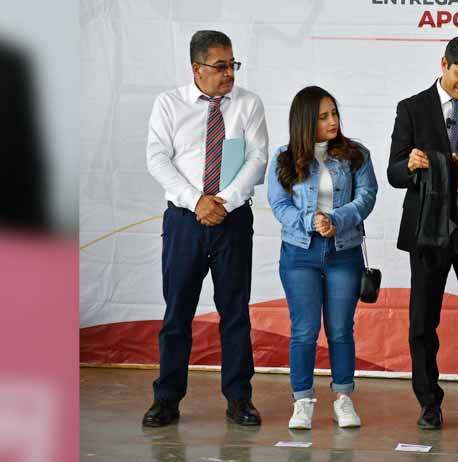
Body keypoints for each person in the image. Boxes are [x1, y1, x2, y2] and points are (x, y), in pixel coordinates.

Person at [143, 30, 268, 427]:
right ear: (197, 68)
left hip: (233, 221)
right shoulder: (169, 104)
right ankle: (166, 399)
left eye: (233, 64)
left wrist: (223, 202)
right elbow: (157, 159)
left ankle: (239, 399)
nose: (229, 73)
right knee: (177, 312)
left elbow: (257, 159)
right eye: (220, 66)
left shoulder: (248, 104)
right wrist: (196, 201)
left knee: (235, 313)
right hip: (184, 221)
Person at [387, 35, 458, 430]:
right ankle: (428, 403)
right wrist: (410, 164)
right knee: (422, 322)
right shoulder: (411, 108)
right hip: (426, 231)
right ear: (443, 64)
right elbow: (393, 172)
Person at [269, 86, 378, 430]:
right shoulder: (284, 157)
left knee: (341, 329)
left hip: (344, 253)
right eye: (323, 116)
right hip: (299, 253)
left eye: (334, 113)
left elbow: (367, 197)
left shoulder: (356, 154)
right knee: (304, 330)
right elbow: (278, 204)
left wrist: (336, 219)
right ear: (305, 121)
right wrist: (310, 221)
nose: (333, 121)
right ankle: (302, 401)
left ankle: (343, 399)